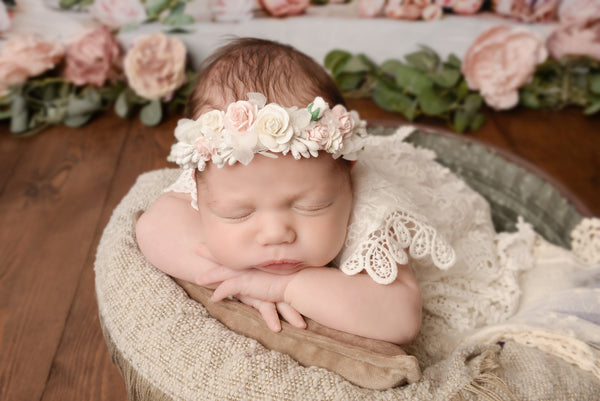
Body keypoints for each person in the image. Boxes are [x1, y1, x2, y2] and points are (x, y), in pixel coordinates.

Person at [135, 38, 423, 345]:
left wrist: (283, 287)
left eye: (311, 206)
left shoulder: (369, 208)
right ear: (196, 187)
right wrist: (238, 281)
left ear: (348, 177)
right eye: (239, 213)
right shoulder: (217, 178)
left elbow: (401, 318)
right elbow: (152, 227)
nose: (275, 234)